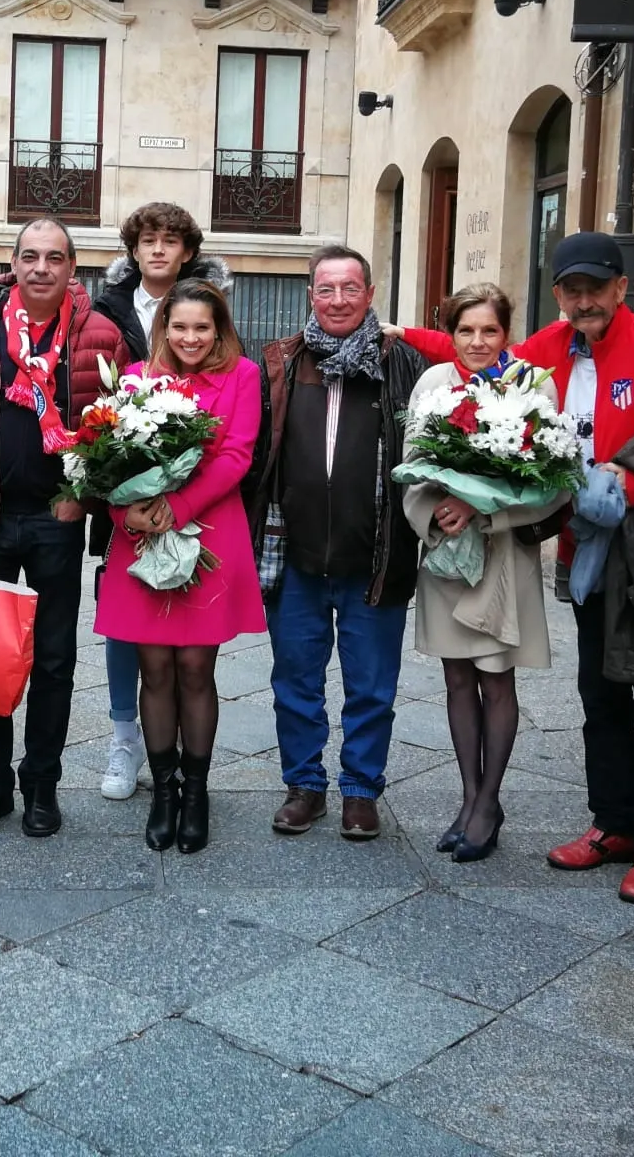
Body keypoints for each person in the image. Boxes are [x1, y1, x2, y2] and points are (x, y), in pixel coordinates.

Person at [507, 231, 634, 905]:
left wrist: (626, 490)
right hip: (584, 552)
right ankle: (613, 821)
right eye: (571, 289)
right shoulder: (545, 350)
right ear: (557, 294)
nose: (583, 299)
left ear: (622, 288)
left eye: (596, 287)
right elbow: (488, 378)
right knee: (600, 696)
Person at [0, 218, 124, 838]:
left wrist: (83, 496)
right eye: (30, 257)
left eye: (55, 258)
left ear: (74, 269)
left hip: (55, 523)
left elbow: (119, 429)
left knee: (53, 663)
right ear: (12, 264)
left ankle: (42, 784)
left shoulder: (101, 337)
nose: (41, 267)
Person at [245, 245, 428, 839]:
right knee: (294, 681)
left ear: (371, 296)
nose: (338, 300)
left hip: (375, 554)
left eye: (351, 288)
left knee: (371, 686)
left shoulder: (404, 363)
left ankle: (359, 789)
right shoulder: (280, 362)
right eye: (326, 289)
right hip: (293, 554)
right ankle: (304, 785)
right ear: (310, 296)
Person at [400, 284, 569, 864]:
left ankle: (490, 801)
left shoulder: (532, 385)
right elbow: (411, 468)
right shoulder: (432, 385)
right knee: (455, 679)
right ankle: (468, 797)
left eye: (489, 331)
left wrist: (485, 508)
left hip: (502, 554)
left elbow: (552, 481)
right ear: (451, 334)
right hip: (446, 552)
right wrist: (437, 516)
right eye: (465, 330)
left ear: (507, 334)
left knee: (496, 678)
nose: (477, 341)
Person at [95, 282, 265, 854]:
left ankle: (196, 790)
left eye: (201, 327)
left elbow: (237, 455)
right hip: (143, 536)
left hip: (211, 530)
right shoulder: (138, 379)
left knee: (195, 668)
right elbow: (108, 460)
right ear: (163, 327)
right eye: (179, 326)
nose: (190, 338)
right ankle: (163, 790)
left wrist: (179, 507)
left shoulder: (241, 375)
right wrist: (131, 515)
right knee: (155, 671)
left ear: (218, 329)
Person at [88, 203, 231, 803]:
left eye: (171, 241)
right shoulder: (105, 313)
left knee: (191, 657)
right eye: (148, 240)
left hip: (198, 511)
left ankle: (179, 773)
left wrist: (181, 502)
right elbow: (99, 412)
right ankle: (126, 743)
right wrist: (120, 501)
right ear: (135, 248)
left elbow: (233, 427)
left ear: (187, 251)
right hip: (129, 507)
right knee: (129, 635)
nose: (158, 250)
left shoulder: (210, 314)